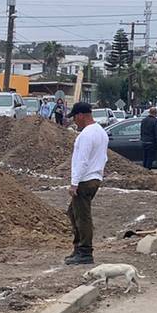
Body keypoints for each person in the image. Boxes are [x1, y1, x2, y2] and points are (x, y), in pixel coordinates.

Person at [65, 102, 107, 265]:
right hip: (94, 178)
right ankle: (79, 248)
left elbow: (82, 160)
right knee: (73, 212)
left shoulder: (86, 135)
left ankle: (84, 251)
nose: (75, 121)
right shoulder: (100, 132)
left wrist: (74, 183)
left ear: (81, 115)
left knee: (82, 217)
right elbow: (103, 157)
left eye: (75, 117)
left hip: (85, 180)